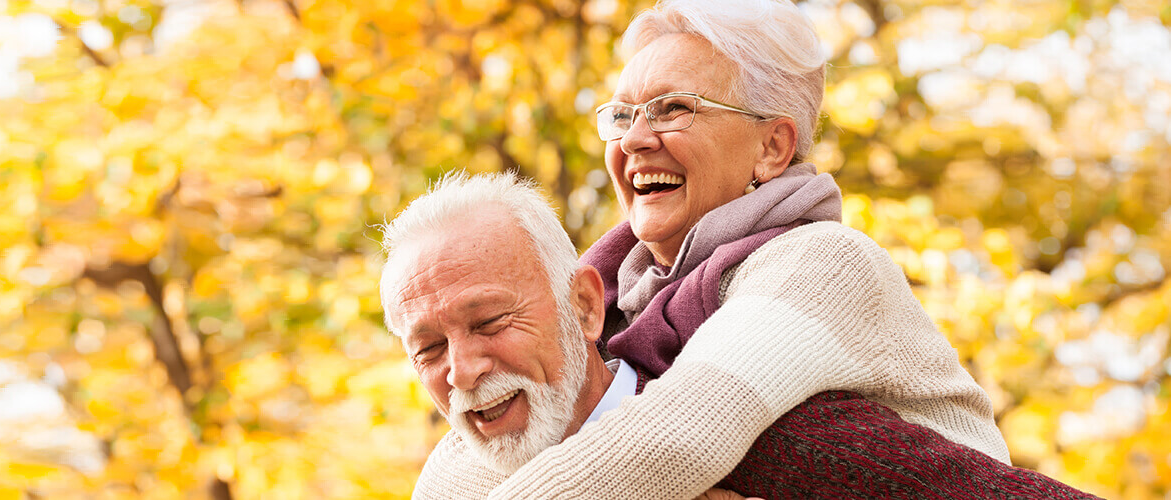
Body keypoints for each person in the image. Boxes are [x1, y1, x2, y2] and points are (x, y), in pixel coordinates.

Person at [381, 173, 1094, 499]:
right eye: (429, 350)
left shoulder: (790, 441)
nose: (465, 369)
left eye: (490, 322)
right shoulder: (450, 484)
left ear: (585, 309)